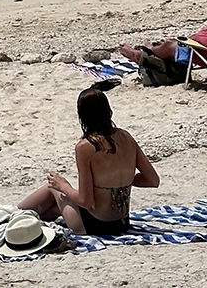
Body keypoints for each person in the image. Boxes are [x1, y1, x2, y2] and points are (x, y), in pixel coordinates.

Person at [17, 82, 159, 235]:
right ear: (108, 110)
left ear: (82, 116)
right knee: (52, 210)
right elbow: (152, 180)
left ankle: (11, 216)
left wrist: (63, 185)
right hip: (121, 223)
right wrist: (121, 180)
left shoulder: (86, 147)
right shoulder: (126, 137)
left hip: (94, 226)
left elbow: (86, 201)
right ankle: (23, 218)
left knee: (52, 187)